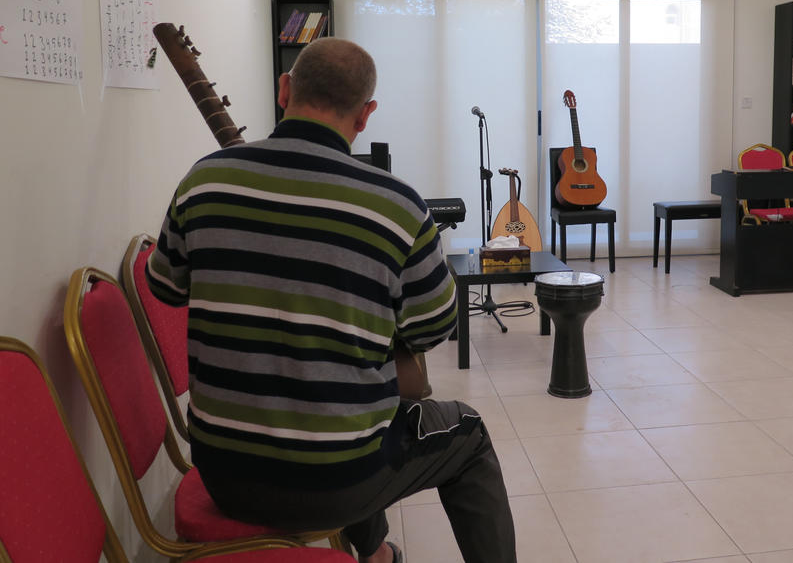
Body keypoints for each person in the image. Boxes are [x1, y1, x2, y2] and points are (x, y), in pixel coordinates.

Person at [146, 37, 516, 563]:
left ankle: (377, 553)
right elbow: (434, 328)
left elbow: (164, 285)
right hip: (340, 483)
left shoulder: (204, 180)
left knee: (344, 403)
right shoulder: (398, 205)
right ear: (366, 116)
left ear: (284, 89)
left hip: (224, 472)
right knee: (465, 433)